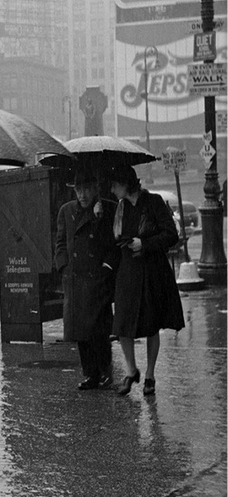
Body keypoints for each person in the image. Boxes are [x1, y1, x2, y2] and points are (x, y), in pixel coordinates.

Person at [108, 164, 185, 397]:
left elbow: (171, 234)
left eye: (115, 185)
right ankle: (132, 371)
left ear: (126, 184)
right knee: (122, 325)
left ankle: (150, 375)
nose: (112, 190)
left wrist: (145, 244)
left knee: (152, 325)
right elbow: (114, 239)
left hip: (153, 272)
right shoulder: (119, 208)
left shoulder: (153, 202)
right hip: (128, 273)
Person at [55, 167, 120, 391]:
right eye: (78, 190)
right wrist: (63, 266)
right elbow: (61, 242)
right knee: (80, 332)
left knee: (98, 331)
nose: (81, 195)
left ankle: (105, 370)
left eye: (86, 190)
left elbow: (114, 245)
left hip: (97, 278)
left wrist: (106, 268)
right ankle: (90, 374)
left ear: (95, 189)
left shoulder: (107, 209)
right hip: (74, 278)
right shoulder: (67, 211)